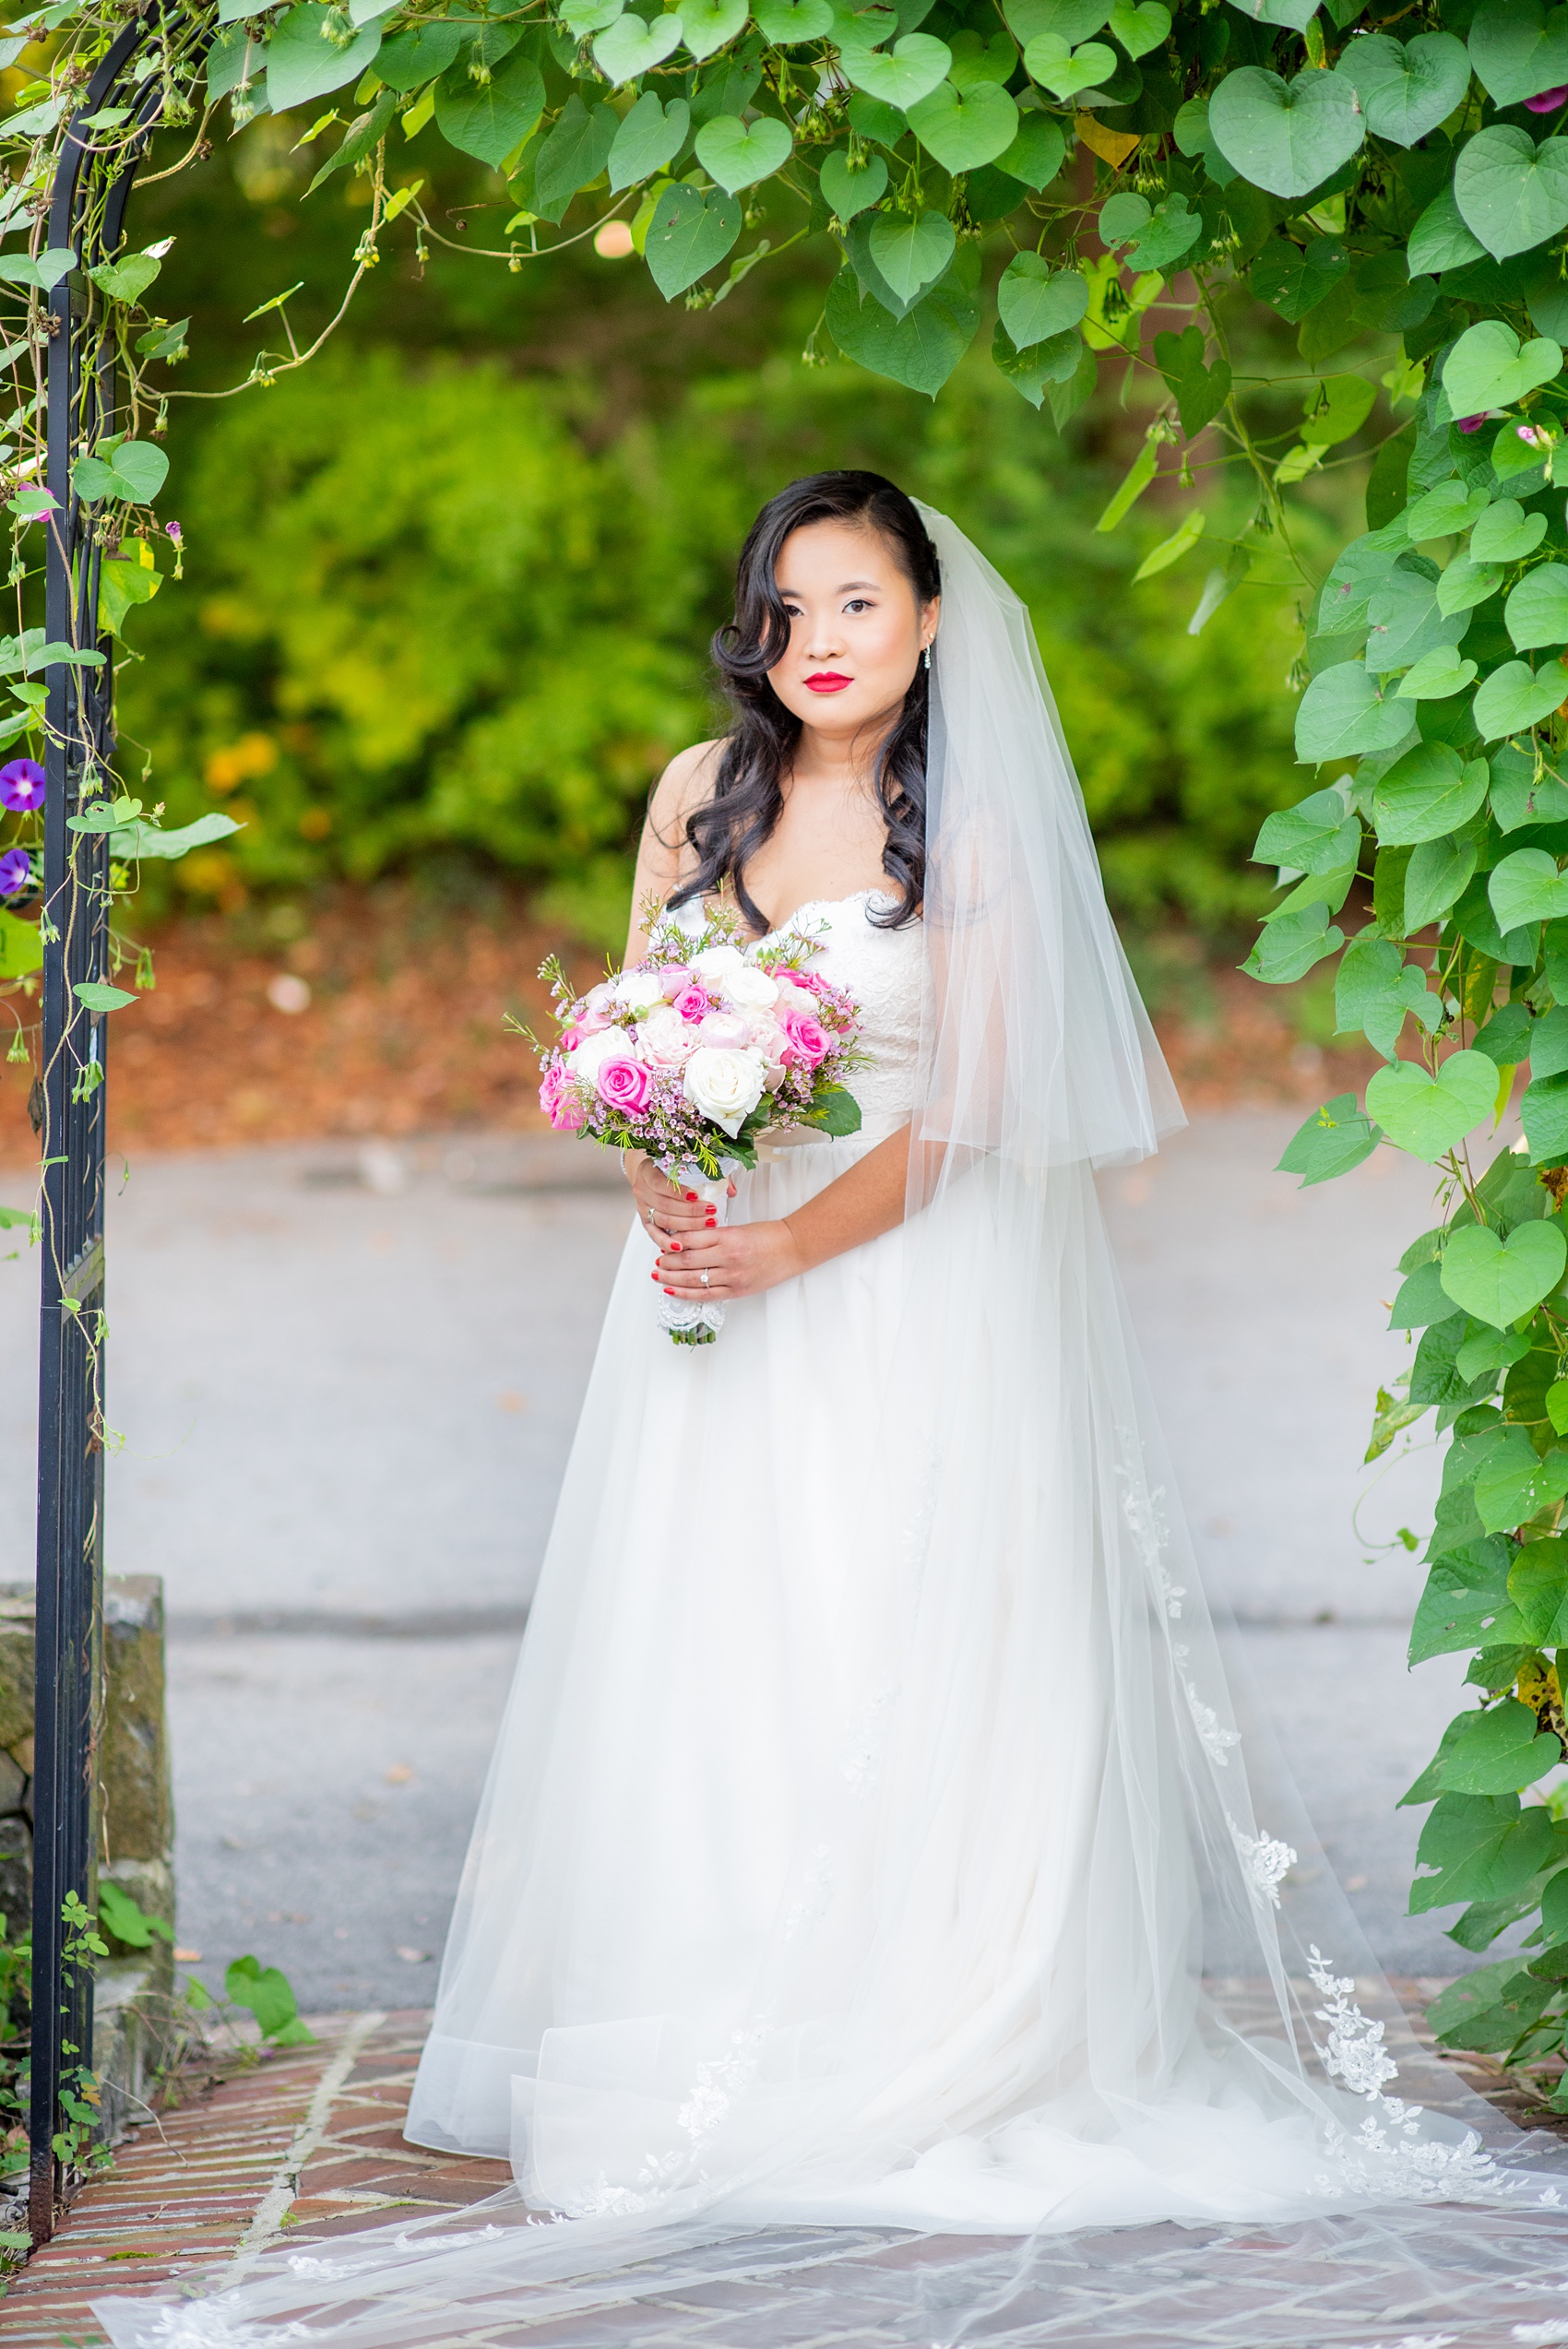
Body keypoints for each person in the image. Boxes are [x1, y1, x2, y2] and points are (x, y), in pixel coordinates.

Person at [96, 476, 1568, 2346]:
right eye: (787, 609)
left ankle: (923, 2026)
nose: (819, 640)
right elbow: (626, 1024)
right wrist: (654, 1172)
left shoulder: (970, 827)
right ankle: (710, 2007)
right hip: (706, 1287)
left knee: (894, 1629)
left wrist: (791, 1241)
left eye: (856, 601)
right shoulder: (694, 796)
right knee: (716, 1643)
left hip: (899, 1290)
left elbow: (970, 1114)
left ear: (932, 616)